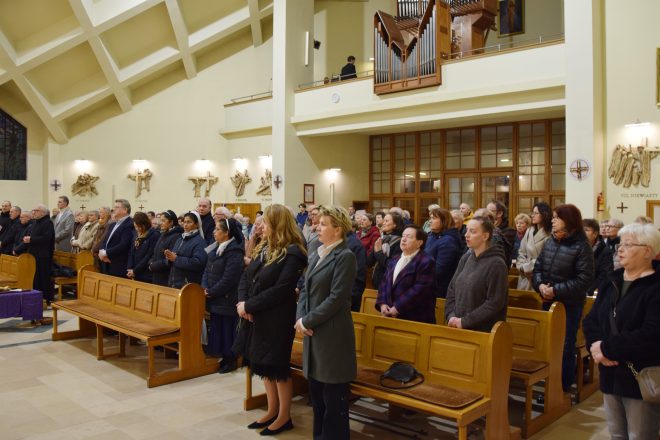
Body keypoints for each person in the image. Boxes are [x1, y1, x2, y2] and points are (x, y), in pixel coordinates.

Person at [583, 223, 660, 439]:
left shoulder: (655, 287)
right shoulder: (612, 282)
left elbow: (651, 334)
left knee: (640, 435)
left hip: (640, 377)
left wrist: (607, 348)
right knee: (616, 434)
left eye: (628, 244)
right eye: (620, 244)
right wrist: (596, 348)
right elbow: (591, 321)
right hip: (610, 373)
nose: (620, 249)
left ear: (647, 251)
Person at [237, 204, 307, 435]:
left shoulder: (293, 252)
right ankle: (272, 409)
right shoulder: (264, 247)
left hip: (277, 318)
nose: (260, 227)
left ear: (277, 224)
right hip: (257, 316)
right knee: (263, 364)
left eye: (265, 222)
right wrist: (243, 302)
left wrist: (249, 305)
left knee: (277, 366)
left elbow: (282, 289)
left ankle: (284, 416)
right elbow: (246, 277)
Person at [295, 205, 356, 440]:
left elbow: (336, 298)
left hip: (332, 336)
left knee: (333, 404)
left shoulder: (345, 257)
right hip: (314, 333)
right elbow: (306, 290)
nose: (316, 227)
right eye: (317, 223)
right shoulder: (318, 253)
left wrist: (307, 320)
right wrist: (300, 319)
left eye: (323, 224)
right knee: (317, 400)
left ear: (338, 230)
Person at [533, 204, 594, 392]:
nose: (552, 220)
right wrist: (540, 285)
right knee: (549, 344)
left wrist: (556, 290)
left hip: (569, 305)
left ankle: (562, 388)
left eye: (556, 218)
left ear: (568, 221)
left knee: (565, 346)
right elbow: (538, 268)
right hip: (548, 302)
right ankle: (551, 385)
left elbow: (584, 279)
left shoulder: (581, 246)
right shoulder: (551, 241)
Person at [445, 216, 508, 332]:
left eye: (472, 231)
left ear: (485, 236)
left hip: (481, 331)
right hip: (457, 326)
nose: (466, 235)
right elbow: (452, 289)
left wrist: (465, 321)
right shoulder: (466, 258)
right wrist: (451, 315)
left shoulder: (497, 264)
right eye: (467, 230)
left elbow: (494, 303)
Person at [202, 218, 245, 373]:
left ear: (226, 233)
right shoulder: (216, 248)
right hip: (214, 296)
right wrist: (205, 287)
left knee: (228, 329)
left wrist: (212, 291)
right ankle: (220, 356)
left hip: (227, 297)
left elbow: (230, 278)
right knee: (218, 328)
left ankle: (230, 359)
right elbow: (207, 270)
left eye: (217, 230)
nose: (214, 232)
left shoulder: (234, 251)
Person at [377, 225, 436, 323]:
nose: (403, 239)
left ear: (419, 243)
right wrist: (382, 304)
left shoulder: (426, 261)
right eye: (403, 235)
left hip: (414, 318)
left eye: (409, 237)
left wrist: (397, 308)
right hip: (389, 314)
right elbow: (384, 283)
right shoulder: (395, 259)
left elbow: (420, 290)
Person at [425, 208, 463, 298]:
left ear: (444, 220)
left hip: (438, 288)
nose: (430, 221)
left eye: (434, 218)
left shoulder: (448, 241)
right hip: (427, 283)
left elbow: (439, 269)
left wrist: (419, 276)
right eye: (430, 218)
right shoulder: (431, 236)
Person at [516, 202, 552, 290]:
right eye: (533, 213)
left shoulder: (550, 233)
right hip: (524, 275)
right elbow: (521, 251)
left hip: (540, 276)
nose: (532, 215)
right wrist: (522, 267)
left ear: (544, 214)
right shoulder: (529, 230)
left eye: (536, 213)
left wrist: (528, 267)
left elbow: (546, 257)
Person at [166, 211, 207, 288]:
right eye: (184, 222)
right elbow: (174, 258)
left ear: (196, 224)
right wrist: (169, 257)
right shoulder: (180, 239)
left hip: (187, 284)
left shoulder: (200, 242)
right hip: (173, 282)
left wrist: (176, 259)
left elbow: (198, 263)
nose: (185, 224)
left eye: (189, 222)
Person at [24, 205, 55, 304]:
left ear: (43, 212)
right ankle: (37, 296)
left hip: (43, 255)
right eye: (33, 210)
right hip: (34, 254)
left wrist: (31, 239)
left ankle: (46, 298)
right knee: (36, 277)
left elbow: (46, 238)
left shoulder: (48, 223)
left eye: (36, 211)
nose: (33, 212)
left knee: (43, 277)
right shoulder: (36, 222)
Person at [368, 212, 404, 290]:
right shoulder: (382, 238)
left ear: (395, 225)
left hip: (389, 282)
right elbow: (369, 262)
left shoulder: (400, 242)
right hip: (377, 279)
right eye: (383, 221)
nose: (383, 223)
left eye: (386, 221)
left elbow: (391, 265)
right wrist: (375, 249)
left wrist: (378, 252)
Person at [99, 199, 134, 277]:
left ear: (125, 210)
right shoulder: (113, 224)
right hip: (106, 262)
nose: (113, 209)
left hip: (118, 264)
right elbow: (104, 241)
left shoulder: (129, 224)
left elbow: (124, 245)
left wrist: (106, 253)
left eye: (117, 207)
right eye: (114, 207)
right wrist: (101, 252)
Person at [149, 210, 183, 286]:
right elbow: (155, 252)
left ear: (171, 222)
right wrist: (150, 262)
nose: (160, 223)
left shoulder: (176, 236)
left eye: (163, 220)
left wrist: (153, 265)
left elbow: (169, 259)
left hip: (165, 276)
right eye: (160, 220)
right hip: (156, 273)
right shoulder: (163, 234)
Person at [583, 218, 614, 296]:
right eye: (581, 230)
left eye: (586, 230)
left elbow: (604, 275)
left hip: (594, 293)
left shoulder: (605, 251)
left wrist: (588, 291)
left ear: (595, 234)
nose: (582, 233)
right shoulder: (577, 249)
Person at [127, 212, 160, 283]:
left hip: (145, 273)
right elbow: (131, 252)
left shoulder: (154, 235)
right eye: (135, 226)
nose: (137, 229)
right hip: (133, 271)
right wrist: (129, 268)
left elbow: (148, 256)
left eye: (139, 227)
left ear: (145, 224)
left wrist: (135, 271)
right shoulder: (136, 234)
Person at [487, 200, 516, 265]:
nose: (487, 214)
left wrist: (492, 227)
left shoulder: (510, 231)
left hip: (498, 267)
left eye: (490, 211)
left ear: (499, 213)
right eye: (486, 211)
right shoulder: (486, 228)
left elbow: (495, 248)